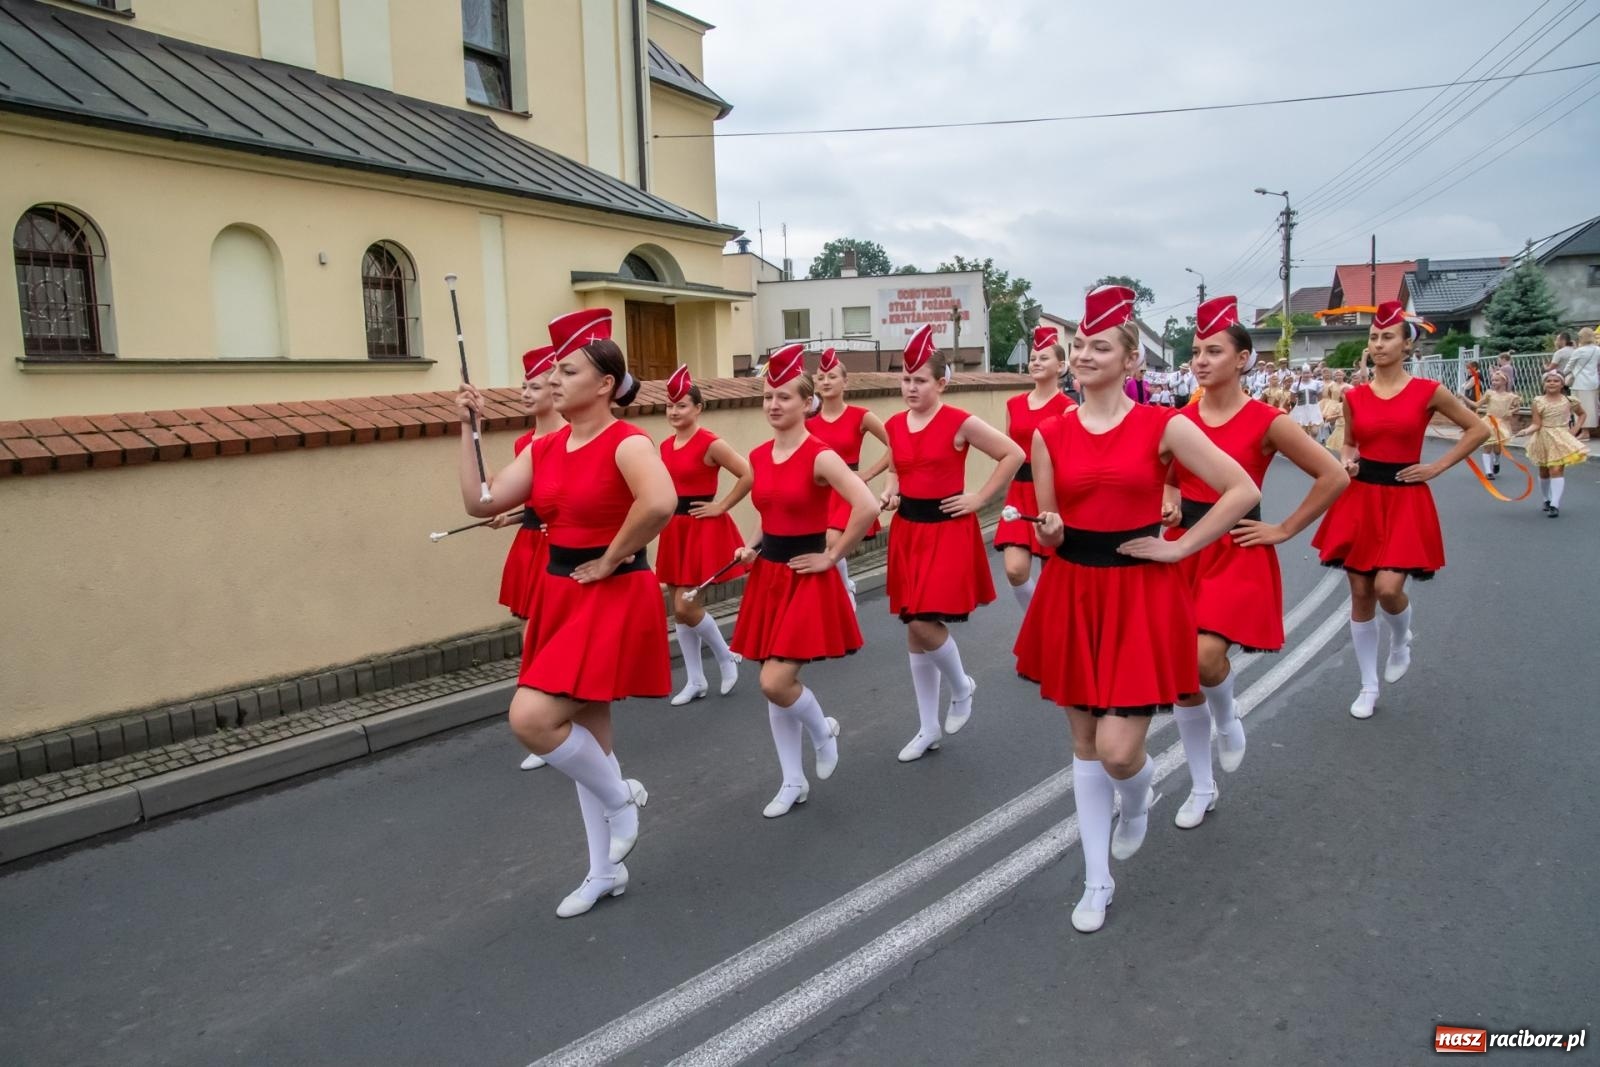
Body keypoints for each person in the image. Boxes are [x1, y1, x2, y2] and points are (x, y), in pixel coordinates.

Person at [1013, 284, 1260, 934]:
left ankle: (1139, 790)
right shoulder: (1048, 433)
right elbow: (1051, 529)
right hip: (1072, 590)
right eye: (1078, 345)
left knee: (1121, 752)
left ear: (1131, 359)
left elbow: (1240, 489)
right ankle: (1096, 879)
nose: (1083, 355)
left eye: (1100, 346)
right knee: (1084, 743)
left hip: (1139, 593)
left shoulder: (1163, 425)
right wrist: (1047, 531)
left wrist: (1182, 549)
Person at [456, 308, 674, 918]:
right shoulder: (545, 446)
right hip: (560, 594)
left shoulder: (627, 442)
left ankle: (621, 799)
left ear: (604, 384)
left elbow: (661, 502)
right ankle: (604, 871)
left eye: (568, 370)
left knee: (531, 719)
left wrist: (610, 558)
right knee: (590, 737)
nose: (554, 378)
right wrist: (467, 430)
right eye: (554, 369)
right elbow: (482, 502)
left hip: (609, 591)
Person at [1163, 297, 1348, 829]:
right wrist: (1169, 501)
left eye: (1214, 351)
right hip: (1184, 545)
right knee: (1182, 676)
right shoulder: (1177, 421)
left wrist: (1284, 529)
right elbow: (1168, 478)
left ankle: (1226, 713)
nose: (1200, 361)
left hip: (1236, 548)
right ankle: (1202, 787)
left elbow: (1334, 476)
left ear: (1243, 359)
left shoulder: (1269, 421)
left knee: (1204, 659)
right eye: (1196, 352)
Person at [1311, 301, 1489, 720]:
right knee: (1361, 593)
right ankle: (1368, 686)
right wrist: (1347, 462)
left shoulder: (1428, 392)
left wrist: (1436, 467)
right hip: (1361, 497)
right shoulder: (1355, 396)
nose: (1378, 344)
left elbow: (1478, 429)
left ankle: (1401, 637)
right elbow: (1349, 443)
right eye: (1374, 337)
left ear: (1407, 345)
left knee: (1388, 589)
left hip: (1405, 496)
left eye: (1388, 337)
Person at [729, 346, 878, 817]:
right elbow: (770, 512)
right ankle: (792, 780)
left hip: (806, 576)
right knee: (773, 681)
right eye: (768, 396)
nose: (774, 405)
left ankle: (822, 731)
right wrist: (751, 546)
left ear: (807, 403)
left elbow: (866, 506)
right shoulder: (758, 455)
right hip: (768, 575)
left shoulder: (820, 455)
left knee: (776, 682)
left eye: (784, 397)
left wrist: (832, 556)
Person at [883, 323, 1024, 763]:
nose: (911, 387)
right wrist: (891, 489)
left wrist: (981, 498)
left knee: (924, 623)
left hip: (946, 529)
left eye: (920, 380)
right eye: (906, 379)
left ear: (941, 383)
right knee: (913, 627)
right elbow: (897, 467)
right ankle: (928, 726)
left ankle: (962, 686)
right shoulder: (893, 424)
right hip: (908, 530)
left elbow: (1013, 454)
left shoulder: (959, 422)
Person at [655, 365, 752, 706]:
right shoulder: (665, 446)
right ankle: (695, 679)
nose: (674, 411)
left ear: (698, 408)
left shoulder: (711, 443)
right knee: (679, 610)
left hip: (702, 529)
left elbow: (748, 474)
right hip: (674, 529)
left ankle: (726, 656)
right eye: (670, 405)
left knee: (687, 605)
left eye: (681, 405)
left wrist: (721, 506)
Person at [494, 345, 566, 772]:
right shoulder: (524, 442)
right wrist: (509, 515)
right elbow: (532, 501)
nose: (525, 393)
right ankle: (541, 721)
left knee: (546, 632)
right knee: (529, 630)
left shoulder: (568, 438)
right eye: (523, 386)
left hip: (557, 546)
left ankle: (549, 718)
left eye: (534, 386)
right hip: (528, 544)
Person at [993, 325, 1076, 610]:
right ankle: (1035, 620)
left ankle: (1051, 625)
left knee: (1053, 576)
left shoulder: (1068, 408)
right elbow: (1009, 451)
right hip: (1019, 492)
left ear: (1061, 366)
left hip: (1052, 494)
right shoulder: (1013, 404)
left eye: (1044, 358)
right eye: (1032, 358)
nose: (1036, 362)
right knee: (1015, 570)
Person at [807, 347, 891, 609]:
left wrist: (868, 473)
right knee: (820, 545)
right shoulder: (808, 423)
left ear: (845, 381)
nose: (825, 382)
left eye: (832, 377)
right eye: (821, 377)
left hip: (849, 491)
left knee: (832, 540)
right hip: (821, 492)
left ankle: (845, 588)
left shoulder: (860, 416)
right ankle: (836, 592)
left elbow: (897, 445)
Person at [1516, 369, 1589, 517]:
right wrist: (1525, 431)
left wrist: (1574, 430)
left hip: (1561, 438)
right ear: (1544, 384)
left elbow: (1582, 414)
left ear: (1562, 384)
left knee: (1556, 469)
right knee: (1544, 471)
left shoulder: (1569, 401)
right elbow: (1536, 424)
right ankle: (1546, 499)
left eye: (1556, 381)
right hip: (1543, 437)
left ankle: (1555, 504)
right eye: (1548, 381)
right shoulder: (1538, 401)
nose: (1552, 383)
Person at [1474, 370, 1520, 479]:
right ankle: (1488, 471)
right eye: (1493, 380)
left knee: (1497, 448)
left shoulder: (1511, 396)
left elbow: (1517, 407)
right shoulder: (1490, 393)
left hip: (1501, 424)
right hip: (1488, 421)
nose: (1494, 382)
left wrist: (1511, 411)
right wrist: (1463, 398)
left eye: (1497, 380)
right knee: (1487, 446)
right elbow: (1476, 405)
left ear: (1504, 382)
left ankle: (1496, 461)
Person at [1557, 327, 1599, 441]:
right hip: (1593, 382)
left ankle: (1584, 432)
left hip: (1579, 382)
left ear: (1581, 337)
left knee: (1580, 407)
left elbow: (1568, 367)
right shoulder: (1597, 350)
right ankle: (1587, 431)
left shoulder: (1579, 351)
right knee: (1591, 408)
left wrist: (1560, 375)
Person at [1290, 367, 1324, 437]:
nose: (1306, 375)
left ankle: (1312, 441)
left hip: (1313, 409)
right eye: (1304, 373)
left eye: (1308, 373)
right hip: (1301, 409)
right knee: (1303, 432)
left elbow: (1320, 396)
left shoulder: (1316, 383)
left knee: (1314, 431)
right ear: (1301, 374)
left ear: (1311, 373)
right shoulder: (1296, 385)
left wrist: (1314, 403)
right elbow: (1292, 398)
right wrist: (1299, 403)